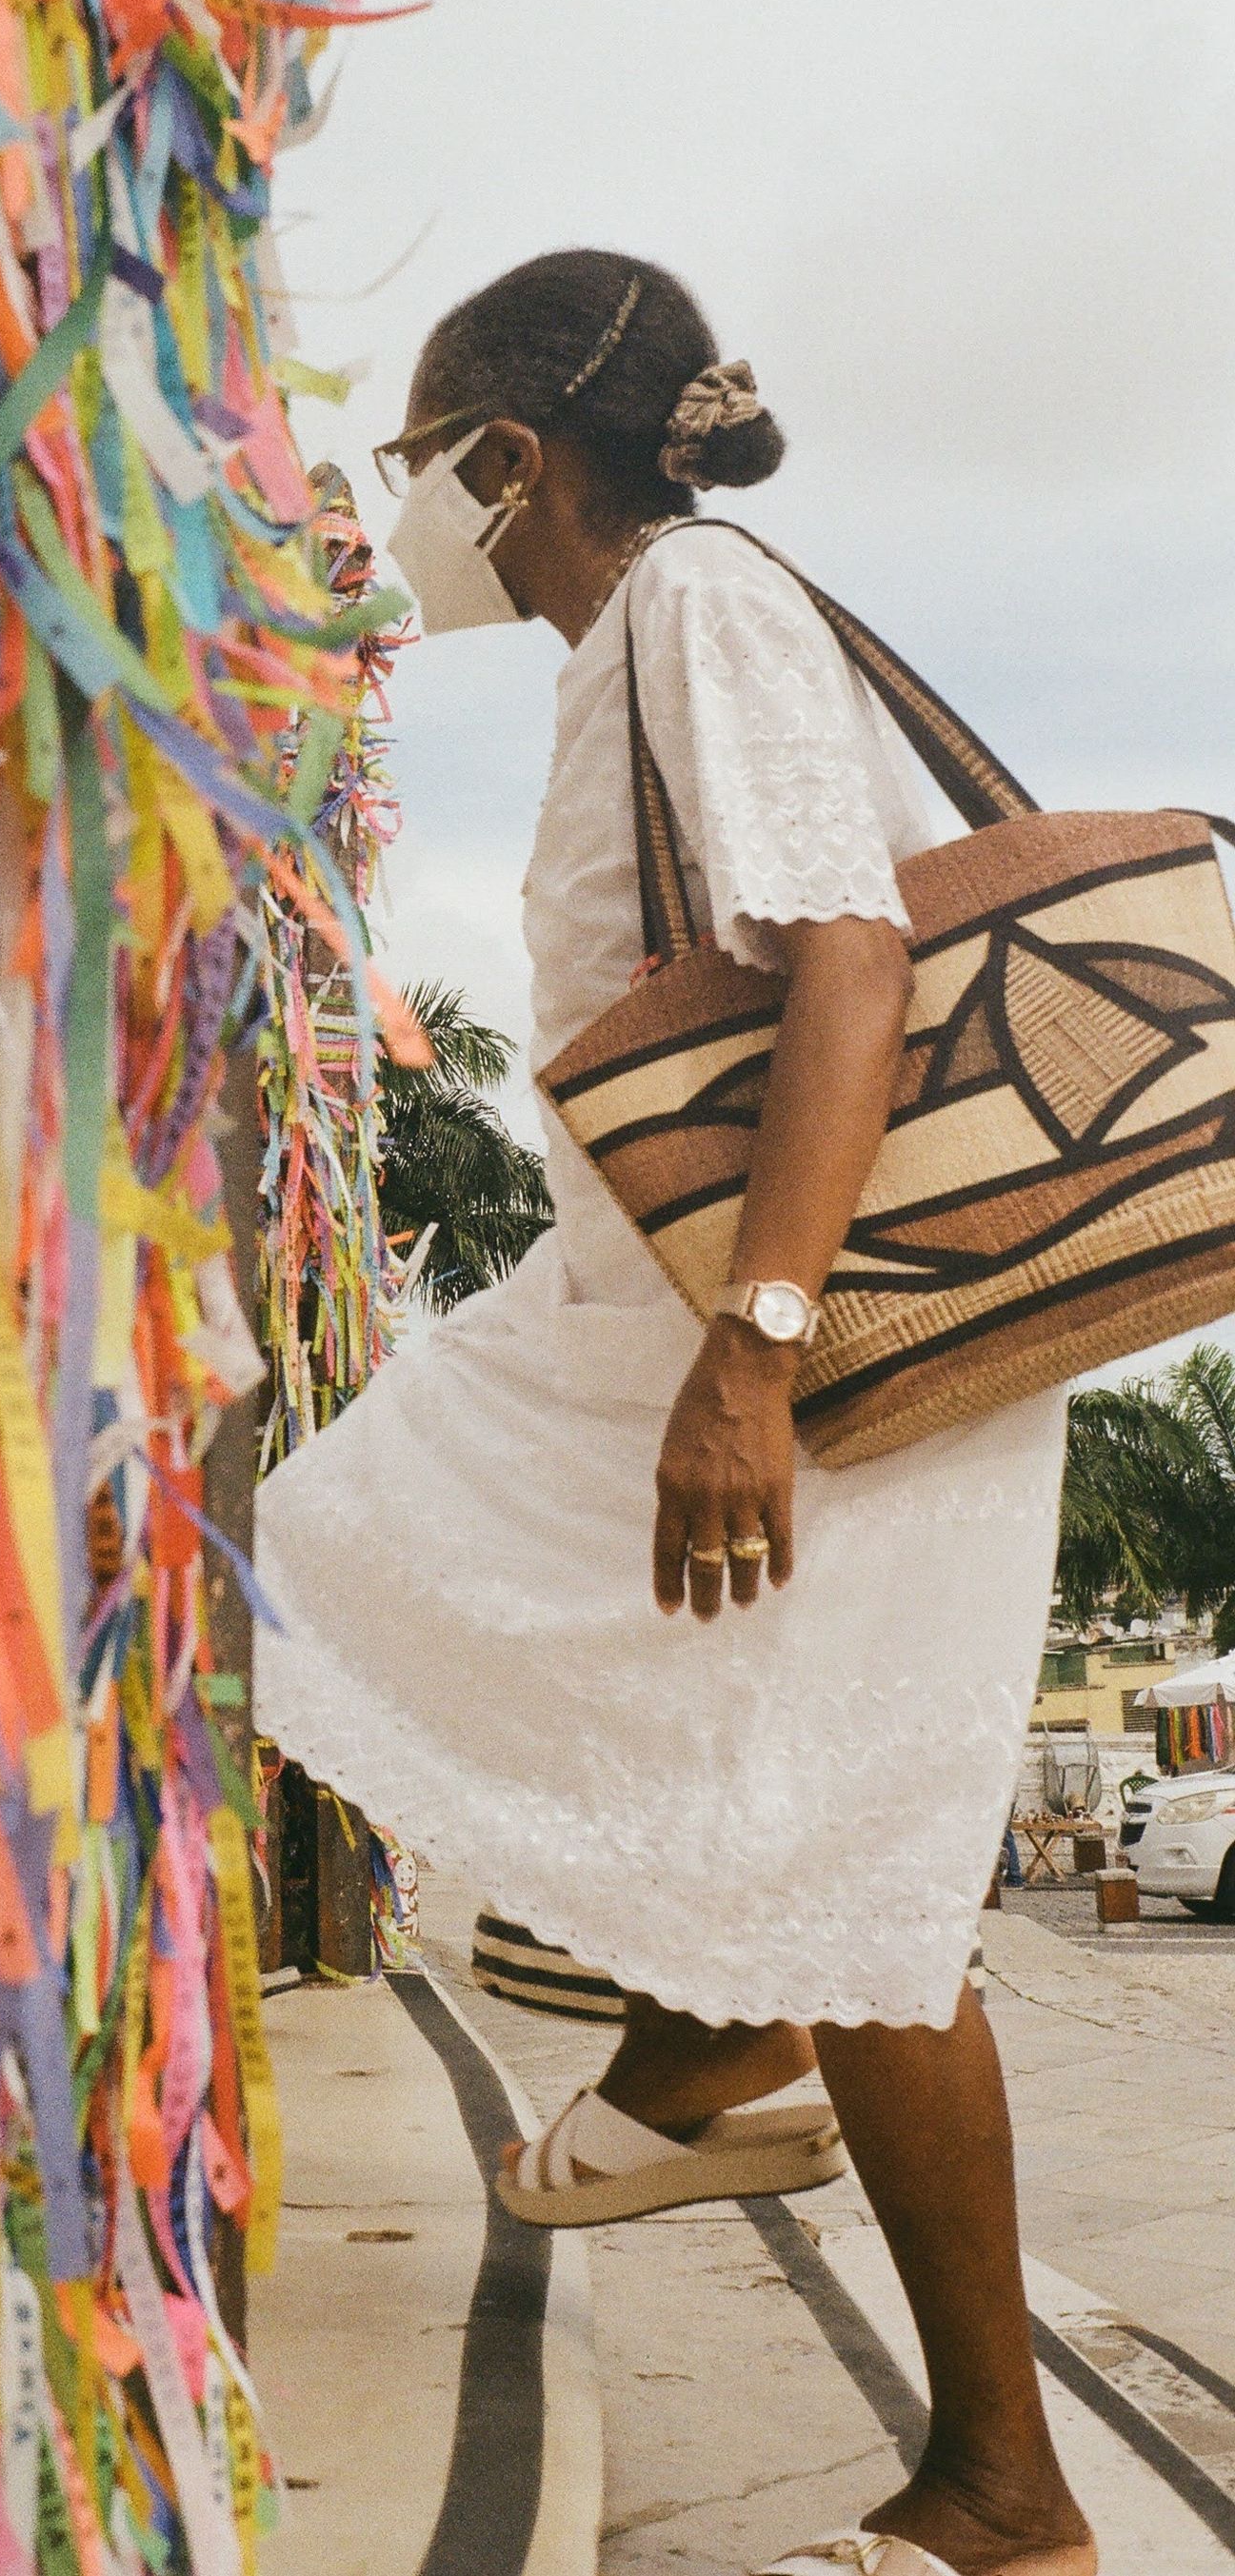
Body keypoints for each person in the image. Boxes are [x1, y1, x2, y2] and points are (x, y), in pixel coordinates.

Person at [254, 250, 1094, 2576]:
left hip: (790, 1340)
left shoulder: (699, 603)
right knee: (342, 1561)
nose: (410, 507)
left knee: (857, 1891)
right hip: (642, 1313)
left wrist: (763, 1344)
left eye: (425, 461)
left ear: (512, 460)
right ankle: (713, 2046)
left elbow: (849, 947)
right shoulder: (646, 641)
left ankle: (999, 2486)